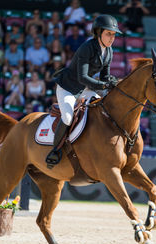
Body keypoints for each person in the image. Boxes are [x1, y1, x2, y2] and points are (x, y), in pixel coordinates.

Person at [45, 14, 121, 166]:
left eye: (113, 35)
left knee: (101, 107)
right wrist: (103, 86)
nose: (112, 38)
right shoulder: (87, 48)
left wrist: (113, 82)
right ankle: (55, 150)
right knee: (67, 118)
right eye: (108, 34)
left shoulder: (109, 51)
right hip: (68, 88)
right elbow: (82, 78)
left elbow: (105, 77)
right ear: (98, 32)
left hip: (85, 89)